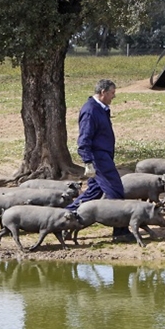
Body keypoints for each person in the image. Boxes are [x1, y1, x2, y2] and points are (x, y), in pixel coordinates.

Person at [65, 78, 133, 242]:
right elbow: (84, 140)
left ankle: (63, 217)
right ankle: (120, 231)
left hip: (104, 156)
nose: (113, 97)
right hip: (99, 159)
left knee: (93, 193)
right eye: (112, 93)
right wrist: (88, 162)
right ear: (103, 92)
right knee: (115, 191)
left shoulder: (101, 109)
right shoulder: (90, 111)